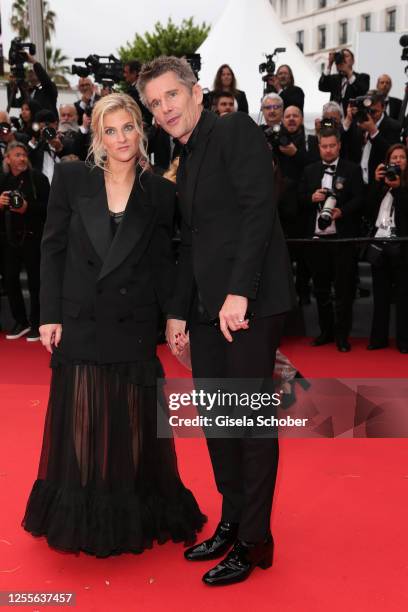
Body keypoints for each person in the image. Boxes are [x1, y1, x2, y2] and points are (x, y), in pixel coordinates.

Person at [21, 93, 206, 557]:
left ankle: (130, 510)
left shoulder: (160, 192)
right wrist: (48, 315)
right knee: (82, 421)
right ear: (97, 136)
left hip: (133, 322)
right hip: (81, 317)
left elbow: (165, 261)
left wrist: (174, 315)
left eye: (128, 128)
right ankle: (84, 511)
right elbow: (53, 248)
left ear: (140, 131)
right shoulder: (70, 178)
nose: (121, 138)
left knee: (131, 424)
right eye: (110, 130)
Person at [138, 56, 295, 586]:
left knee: (249, 422)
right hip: (208, 308)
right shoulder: (185, 153)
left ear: (196, 91)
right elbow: (192, 243)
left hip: (247, 303)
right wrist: (179, 312)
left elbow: (258, 212)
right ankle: (231, 521)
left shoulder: (233, 130)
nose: (163, 110)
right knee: (218, 420)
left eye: (170, 97)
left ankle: (255, 540)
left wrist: (237, 294)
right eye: (155, 105)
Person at [299, 128, 364, 352]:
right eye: (324, 146)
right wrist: (311, 198)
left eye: (331, 146)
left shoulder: (352, 170)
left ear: (339, 146)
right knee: (321, 290)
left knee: (344, 291)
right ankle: (325, 332)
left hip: (342, 240)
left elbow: (360, 199)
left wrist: (341, 212)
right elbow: (297, 199)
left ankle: (342, 336)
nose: (328, 150)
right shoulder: (309, 171)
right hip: (316, 241)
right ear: (318, 148)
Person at [0, 142, 49, 340]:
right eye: (17, 155)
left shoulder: (38, 179)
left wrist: (27, 207)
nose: (22, 159)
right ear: (7, 159)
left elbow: (50, 208)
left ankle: (37, 322)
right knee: (10, 280)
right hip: (8, 239)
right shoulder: (2, 180)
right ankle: (21, 321)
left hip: (33, 237)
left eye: (24, 155)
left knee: (36, 281)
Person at [365, 144, 408, 353]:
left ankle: (404, 341)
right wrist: (375, 182)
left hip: (402, 248)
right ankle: (378, 338)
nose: (398, 161)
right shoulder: (381, 185)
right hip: (379, 244)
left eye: (401, 157)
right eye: (394, 158)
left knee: (404, 296)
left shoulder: (405, 187)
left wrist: (399, 188)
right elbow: (367, 209)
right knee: (380, 295)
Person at [318, 49, 370, 115]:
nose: (343, 59)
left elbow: (361, 91)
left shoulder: (362, 77)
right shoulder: (335, 78)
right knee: (325, 124)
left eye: (346, 56)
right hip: (335, 120)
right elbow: (322, 87)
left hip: (353, 120)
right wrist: (329, 65)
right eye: (342, 56)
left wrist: (348, 72)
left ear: (353, 61)